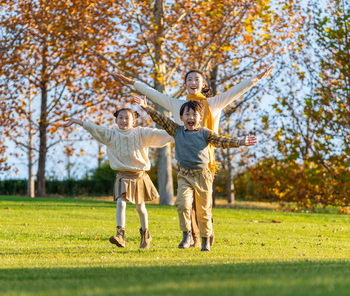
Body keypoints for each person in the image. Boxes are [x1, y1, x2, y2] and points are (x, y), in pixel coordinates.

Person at [115, 66, 273, 246]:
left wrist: (256, 78)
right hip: (184, 160)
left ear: (203, 84)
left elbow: (236, 91)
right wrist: (133, 83)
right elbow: (153, 94)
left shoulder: (214, 103)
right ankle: (193, 237)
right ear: (185, 84)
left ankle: (206, 232)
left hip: (206, 161)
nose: (193, 83)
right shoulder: (177, 105)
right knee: (185, 203)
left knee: (201, 205)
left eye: (197, 80)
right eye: (189, 80)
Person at [133, 96, 257, 251]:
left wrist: (239, 142)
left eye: (194, 114)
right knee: (183, 205)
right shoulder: (176, 130)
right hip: (184, 175)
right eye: (187, 114)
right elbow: (162, 119)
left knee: (204, 210)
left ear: (200, 117)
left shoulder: (205, 133)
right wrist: (146, 107)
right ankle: (187, 234)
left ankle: (205, 239)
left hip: (203, 176)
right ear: (181, 117)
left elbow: (221, 141)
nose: (191, 117)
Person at [64, 108, 173, 249]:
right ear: (116, 121)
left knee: (140, 208)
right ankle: (120, 235)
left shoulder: (141, 133)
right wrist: (77, 121)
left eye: (127, 118)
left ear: (133, 121)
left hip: (139, 175)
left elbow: (160, 135)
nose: (123, 120)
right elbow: (95, 128)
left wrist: (180, 132)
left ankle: (145, 234)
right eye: (120, 118)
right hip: (122, 176)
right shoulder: (111, 135)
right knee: (121, 203)